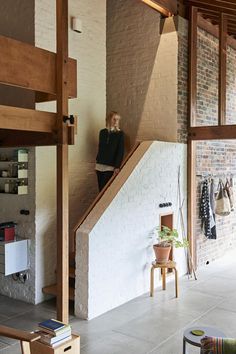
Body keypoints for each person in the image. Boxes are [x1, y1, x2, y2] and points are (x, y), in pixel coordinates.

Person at [95, 111, 124, 191]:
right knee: (100, 190)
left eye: (117, 120)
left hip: (110, 167)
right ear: (108, 120)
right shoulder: (102, 132)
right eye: (114, 119)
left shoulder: (120, 134)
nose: (116, 121)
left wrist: (117, 166)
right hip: (99, 165)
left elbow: (120, 151)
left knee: (106, 190)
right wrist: (97, 162)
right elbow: (100, 148)